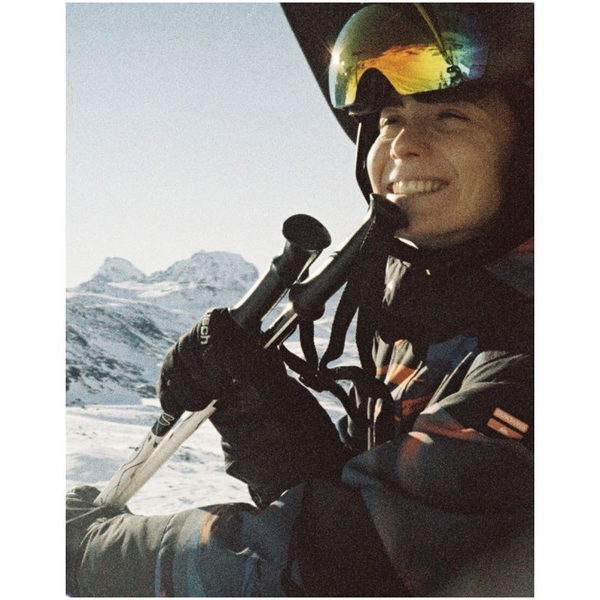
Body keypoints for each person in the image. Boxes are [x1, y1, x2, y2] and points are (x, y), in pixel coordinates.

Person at [66, 4, 534, 596]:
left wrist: (89, 555)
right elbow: (378, 504)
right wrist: (260, 412)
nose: (404, 144)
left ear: (529, 154)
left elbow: (349, 563)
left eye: (451, 116)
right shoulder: (434, 315)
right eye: (389, 119)